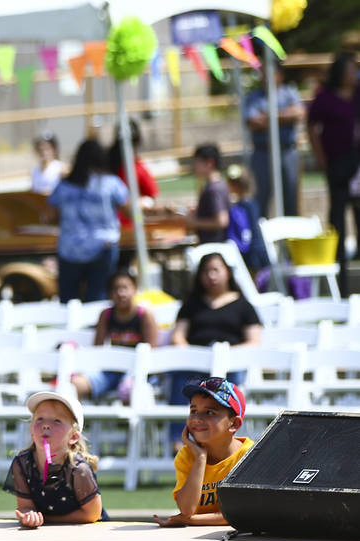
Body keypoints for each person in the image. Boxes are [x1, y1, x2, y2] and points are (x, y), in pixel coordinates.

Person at [166, 252, 262, 443]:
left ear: (227, 273)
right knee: (180, 379)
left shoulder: (243, 306)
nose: (211, 276)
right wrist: (196, 356)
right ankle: (179, 440)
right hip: (194, 366)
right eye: (206, 271)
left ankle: (222, 437)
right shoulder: (191, 305)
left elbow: (254, 341)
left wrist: (224, 356)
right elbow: (178, 336)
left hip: (231, 365)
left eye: (216, 270)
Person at [154, 377, 253, 527]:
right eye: (193, 410)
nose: (197, 418)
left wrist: (191, 520)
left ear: (234, 423)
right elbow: (187, 509)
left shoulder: (249, 455)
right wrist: (200, 457)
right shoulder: (187, 456)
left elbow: (243, 514)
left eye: (209, 412)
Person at [3, 390, 105, 528]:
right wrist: (30, 516)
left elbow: (92, 514)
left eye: (57, 421)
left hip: (88, 534)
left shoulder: (78, 469)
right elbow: (25, 506)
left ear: (74, 437)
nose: (46, 425)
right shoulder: (22, 463)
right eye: (39, 419)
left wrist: (46, 519)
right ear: (32, 431)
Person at [306, 51, 360, 296]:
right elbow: (311, 126)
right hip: (338, 165)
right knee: (337, 221)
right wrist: (321, 158)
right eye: (349, 69)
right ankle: (341, 284)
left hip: (358, 165)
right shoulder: (326, 98)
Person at [48, 139, 128, 303]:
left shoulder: (64, 186)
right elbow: (129, 211)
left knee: (68, 302)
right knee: (97, 300)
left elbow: (51, 216)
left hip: (70, 247)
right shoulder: (111, 183)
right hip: (103, 245)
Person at [71, 269, 159, 400]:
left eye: (125, 288)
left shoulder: (144, 315)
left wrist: (134, 375)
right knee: (75, 385)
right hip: (110, 371)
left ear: (134, 289)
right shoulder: (106, 315)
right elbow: (97, 349)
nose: (121, 293)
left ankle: (129, 420)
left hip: (138, 371)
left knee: (127, 389)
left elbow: (151, 351)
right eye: (116, 289)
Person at [244, 61, 304, 217]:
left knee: (291, 197)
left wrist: (269, 116)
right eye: (263, 73)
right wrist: (284, 116)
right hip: (263, 153)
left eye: (269, 73)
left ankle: (292, 237)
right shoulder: (254, 96)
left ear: (280, 75)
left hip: (287, 151)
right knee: (261, 198)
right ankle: (260, 237)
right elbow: (252, 122)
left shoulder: (289, 93)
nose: (265, 77)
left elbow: (298, 113)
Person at [225, 165, 272, 287]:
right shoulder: (252, 203)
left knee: (253, 284)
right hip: (258, 249)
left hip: (252, 251)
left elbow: (244, 232)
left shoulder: (242, 207)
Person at [108, 119, 159, 230]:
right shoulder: (136, 168)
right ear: (138, 142)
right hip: (129, 224)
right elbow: (151, 197)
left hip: (112, 224)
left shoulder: (103, 166)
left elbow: (150, 197)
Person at [186, 143, 230, 244]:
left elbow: (221, 220)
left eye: (197, 162)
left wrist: (194, 222)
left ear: (210, 163)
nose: (194, 167)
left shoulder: (214, 189)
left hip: (214, 245)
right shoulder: (218, 184)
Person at [30, 132, 65, 196]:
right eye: (40, 149)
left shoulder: (61, 168)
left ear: (54, 149)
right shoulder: (35, 170)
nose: (44, 152)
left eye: (47, 149)